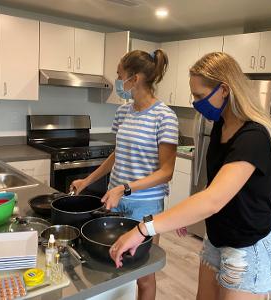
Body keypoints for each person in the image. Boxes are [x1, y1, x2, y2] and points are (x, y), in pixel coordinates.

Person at [109, 52, 271, 300]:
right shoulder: (220, 128)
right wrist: (186, 213)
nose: (195, 103)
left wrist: (143, 229)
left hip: (249, 247)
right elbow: (215, 187)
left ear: (224, 90)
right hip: (216, 239)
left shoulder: (254, 137)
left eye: (200, 96)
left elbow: (214, 199)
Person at [71, 49, 179, 300]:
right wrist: (87, 181)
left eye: (119, 75)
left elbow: (167, 172)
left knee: (143, 273)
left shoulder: (165, 117)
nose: (117, 81)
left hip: (145, 205)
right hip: (116, 200)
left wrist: (125, 188)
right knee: (114, 264)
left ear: (136, 78)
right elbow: (117, 154)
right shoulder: (123, 112)